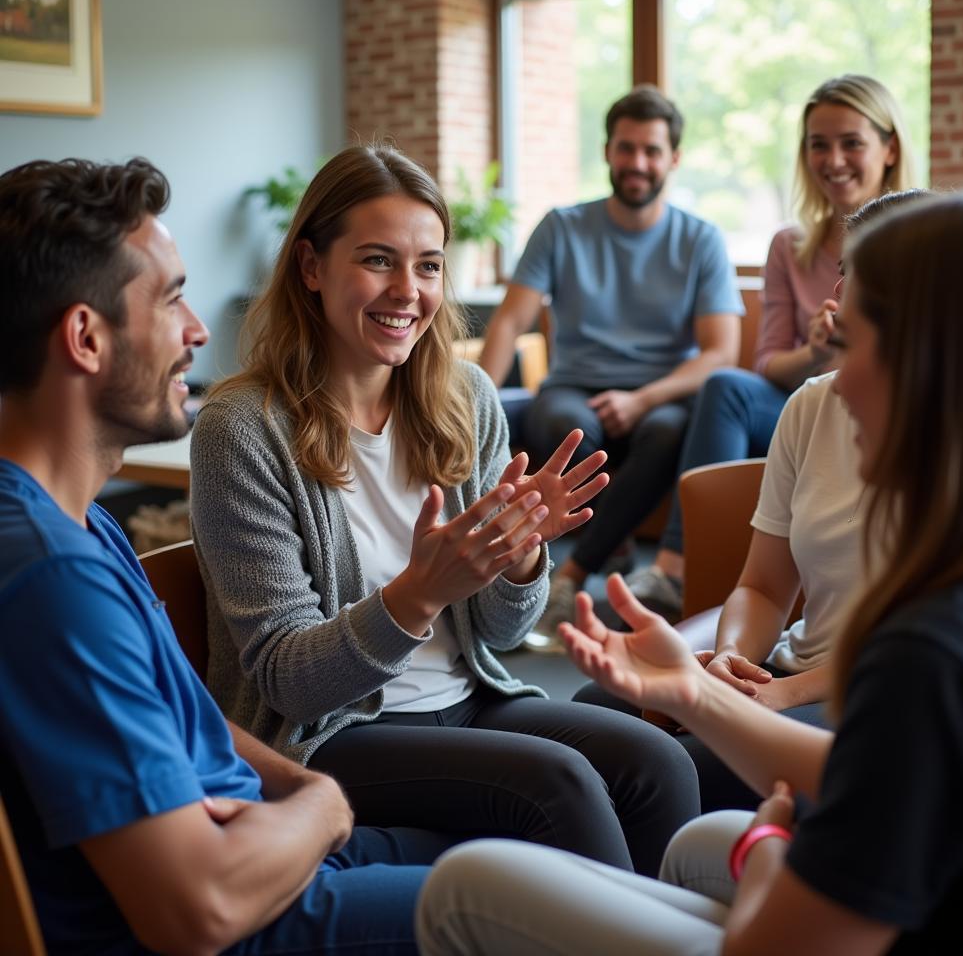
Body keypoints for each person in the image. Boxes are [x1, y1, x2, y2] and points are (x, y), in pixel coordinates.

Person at [416, 187, 963, 955]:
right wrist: (695, 692)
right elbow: (880, 769)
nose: (840, 364)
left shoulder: (928, 654)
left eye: (857, 335)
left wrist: (764, 845)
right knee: (689, 844)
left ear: (925, 362)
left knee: (464, 886)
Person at [190, 143, 701, 878]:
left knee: (657, 762)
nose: (408, 291)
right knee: (561, 785)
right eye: (376, 260)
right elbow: (286, 680)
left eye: (428, 265)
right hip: (327, 734)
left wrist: (522, 556)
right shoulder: (241, 427)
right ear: (311, 267)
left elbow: (500, 631)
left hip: (468, 695)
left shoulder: (464, 399)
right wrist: (418, 593)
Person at [0, 157, 443, 956]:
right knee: (533, 904)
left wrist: (303, 789)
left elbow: (187, 716)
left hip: (273, 855)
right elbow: (196, 911)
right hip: (252, 917)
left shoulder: (84, 528)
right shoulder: (51, 577)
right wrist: (324, 808)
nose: (199, 330)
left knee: (522, 862)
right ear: (86, 337)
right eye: (171, 298)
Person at [577, 189, 929, 814]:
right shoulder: (814, 403)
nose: (839, 296)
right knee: (591, 720)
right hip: (787, 669)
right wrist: (734, 660)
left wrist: (779, 696)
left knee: (667, 768)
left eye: (864, 278)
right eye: (845, 269)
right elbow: (764, 586)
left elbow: (925, 651)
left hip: (878, 696)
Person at [625, 74, 914, 614]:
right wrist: (819, 353)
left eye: (851, 142)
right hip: (804, 393)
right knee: (727, 386)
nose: (833, 159)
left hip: (897, 396)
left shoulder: (924, 235)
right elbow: (768, 362)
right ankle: (675, 567)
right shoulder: (789, 244)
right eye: (818, 144)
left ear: (890, 146)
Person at [478, 84, 743, 648]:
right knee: (565, 426)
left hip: (662, 396)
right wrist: (472, 393)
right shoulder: (563, 226)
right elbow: (508, 322)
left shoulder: (700, 240)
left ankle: (568, 577)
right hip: (574, 386)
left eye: (651, 151)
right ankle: (606, 549)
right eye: (626, 149)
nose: (637, 163)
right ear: (607, 152)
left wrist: (643, 398)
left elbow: (721, 352)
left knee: (670, 429)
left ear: (673, 158)